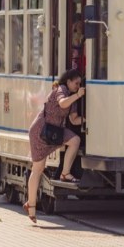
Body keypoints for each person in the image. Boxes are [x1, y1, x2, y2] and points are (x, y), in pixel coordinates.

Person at [24, 69, 85, 223]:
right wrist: (77, 95)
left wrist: (88, 120)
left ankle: (65, 174)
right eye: (76, 83)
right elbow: (62, 103)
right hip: (41, 131)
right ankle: (31, 206)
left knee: (75, 140)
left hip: (55, 132)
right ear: (69, 81)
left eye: (80, 84)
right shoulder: (61, 89)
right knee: (38, 169)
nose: (78, 86)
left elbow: (74, 119)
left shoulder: (74, 98)